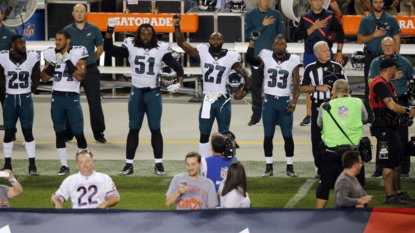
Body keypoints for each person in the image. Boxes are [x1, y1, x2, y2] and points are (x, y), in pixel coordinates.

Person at [104, 19, 184, 177]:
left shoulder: (161, 47)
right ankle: (129, 164)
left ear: (153, 34)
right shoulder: (131, 45)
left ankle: (159, 164)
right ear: (138, 34)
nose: (146, 35)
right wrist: (109, 29)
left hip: (153, 93)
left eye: (149, 33)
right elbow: (109, 49)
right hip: (137, 92)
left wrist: (179, 83)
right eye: (143, 33)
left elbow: (177, 67)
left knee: (155, 129)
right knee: (133, 129)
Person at [173, 14, 251, 158]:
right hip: (208, 99)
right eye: (213, 38)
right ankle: (202, 162)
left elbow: (247, 75)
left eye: (218, 38)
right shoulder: (202, 52)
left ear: (223, 41)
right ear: (209, 41)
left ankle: (222, 162)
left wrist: (245, 91)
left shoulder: (231, 57)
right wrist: (177, 25)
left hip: (223, 99)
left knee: (224, 135)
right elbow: (181, 43)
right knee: (204, 133)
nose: (216, 40)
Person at [246, 33, 301, 177]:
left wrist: (294, 100)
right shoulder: (266, 56)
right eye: (277, 44)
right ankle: (268, 166)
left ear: (286, 45)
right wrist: (252, 42)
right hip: (269, 101)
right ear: (273, 45)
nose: (279, 46)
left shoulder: (294, 59)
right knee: (268, 135)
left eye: (282, 44)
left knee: (287, 135)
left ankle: (290, 166)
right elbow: (250, 60)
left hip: (284, 101)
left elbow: (296, 84)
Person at [40, 30, 89, 176]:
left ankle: (85, 164)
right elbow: (43, 78)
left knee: (78, 132)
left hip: (72, 97)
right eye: (56, 39)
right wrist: (53, 63)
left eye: (60, 39)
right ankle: (64, 165)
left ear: (68, 41)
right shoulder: (50, 54)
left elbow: (80, 77)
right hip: (57, 98)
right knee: (59, 133)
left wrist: (67, 61)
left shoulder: (78, 52)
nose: (57, 42)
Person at [369, 58, 415, 205]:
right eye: (395, 68)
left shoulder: (386, 83)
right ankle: (389, 196)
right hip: (384, 129)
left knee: (395, 162)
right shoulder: (381, 84)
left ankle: (398, 192)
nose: (397, 70)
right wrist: (408, 112)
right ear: (390, 69)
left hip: (390, 127)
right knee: (388, 163)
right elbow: (392, 106)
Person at [316, 79, 367, 208]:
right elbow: (365, 119)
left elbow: (319, 124)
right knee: (355, 187)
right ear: (348, 91)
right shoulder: (358, 102)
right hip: (352, 153)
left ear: (334, 91)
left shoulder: (325, 106)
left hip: (331, 152)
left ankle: (318, 214)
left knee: (325, 185)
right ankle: (357, 221)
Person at [300, 41, 348, 178]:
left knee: (336, 136)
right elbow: (302, 88)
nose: (328, 53)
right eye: (325, 51)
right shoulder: (310, 68)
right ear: (317, 54)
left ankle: (337, 167)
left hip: (335, 106)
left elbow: (346, 86)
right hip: (318, 106)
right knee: (317, 137)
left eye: (328, 51)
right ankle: (319, 169)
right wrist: (316, 88)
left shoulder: (337, 67)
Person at [294, 0, 345, 127]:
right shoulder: (305, 17)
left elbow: (340, 33)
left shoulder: (330, 15)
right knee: (309, 83)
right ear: (310, 1)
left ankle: (332, 109)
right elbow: (297, 35)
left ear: (323, 1)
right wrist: (314, 27)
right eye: (314, 0)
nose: (317, 2)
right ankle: (309, 114)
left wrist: (339, 52)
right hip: (310, 54)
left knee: (330, 81)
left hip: (327, 53)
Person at [368, 37, 414, 178]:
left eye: (390, 45)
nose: (388, 48)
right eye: (385, 45)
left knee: (401, 137)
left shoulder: (405, 62)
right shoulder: (377, 65)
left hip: (400, 100)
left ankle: (403, 168)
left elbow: (412, 80)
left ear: (395, 46)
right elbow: (371, 82)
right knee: (384, 139)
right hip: (386, 105)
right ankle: (381, 167)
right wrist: (389, 78)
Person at [64, 3, 106, 143]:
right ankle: (68, 133)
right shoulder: (67, 30)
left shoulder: (94, 29)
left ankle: (99, 133)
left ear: (86, 13)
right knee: (71, 102)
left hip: (91, 70)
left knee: (94, 102)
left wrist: (89, 61)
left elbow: (100, 48)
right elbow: (63, 50)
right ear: (73, 13)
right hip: (72, 71)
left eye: (82, 11)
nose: (79, 14)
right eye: (77, 11)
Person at [0, 35, 40, 175]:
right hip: (10, 98)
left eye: (24, 42)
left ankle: (32, 165)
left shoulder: (32, 57)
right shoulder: (3, 57)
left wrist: (31, 90)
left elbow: (36, 77)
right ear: (13, 45)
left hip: (25, 97)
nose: (24, 45)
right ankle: (7, 164)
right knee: (9, 132)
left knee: (28, 131)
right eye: (20, 43)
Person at [357, 0, 401, 120]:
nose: (378, 4)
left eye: (380, 2)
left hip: (387, 58)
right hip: (371, 57)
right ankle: (369, 116)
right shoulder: (365, 20)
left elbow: (397, 39)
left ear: (383, 3)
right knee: (369, 86)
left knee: (389, 85)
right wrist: (374, 35)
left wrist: (395, 57)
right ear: (371, 3)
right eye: (375, 2)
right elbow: (360, 39)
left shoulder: (391, 19)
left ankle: (390, 113)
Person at [244, 0, 283, 126]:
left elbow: (280, 35)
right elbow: (247, 34)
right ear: (258, 1)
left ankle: (276, 116)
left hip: (273, 58)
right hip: (256, 57)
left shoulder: (276, 14)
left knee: (274, 87)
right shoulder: (250, 14)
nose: (266, 2)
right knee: (256, 86)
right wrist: (262, 25)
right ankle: (256, 116)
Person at [51, 150, 120, 209]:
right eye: (81, 162)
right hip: (78, 218)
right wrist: (57, 203)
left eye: (87, 161)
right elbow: (56, 197)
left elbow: (115, 197)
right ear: (77, 164)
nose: (84, 164)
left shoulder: (104, 178)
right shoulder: (70, 180)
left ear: (92, 162)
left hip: (100, 216)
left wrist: (103, 205)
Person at [0, 8, 16, 130]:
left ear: (2, 15)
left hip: (4, 75)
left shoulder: (10, 34)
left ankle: (10, 130)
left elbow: (16, 54)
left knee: (6, 104)